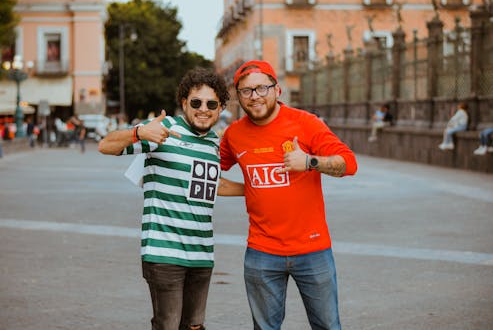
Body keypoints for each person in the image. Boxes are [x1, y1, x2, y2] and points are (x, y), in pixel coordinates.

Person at [98, 67, 243, 330]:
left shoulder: (213, 142)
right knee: (168, 325)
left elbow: (212, 184)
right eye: (196, 102)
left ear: (220, 107)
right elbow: (105, 145)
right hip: (164, 253)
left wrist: (255, 189)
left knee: (194, 326)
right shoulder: (165, 129)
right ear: (184, 102)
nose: (203, 109)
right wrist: (139, 133)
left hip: (201, 254)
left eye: (211, 104)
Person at [219, 60, 358, 330]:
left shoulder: (306, 123)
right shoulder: (234, 134)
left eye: (262, 88)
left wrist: (309, 162)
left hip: (313, 249)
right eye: (246, 91)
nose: (255, 96)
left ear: (277, 89)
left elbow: (348, 163)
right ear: (238, 97)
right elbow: (210, 170)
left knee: (328, 326)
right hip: (261, 252)